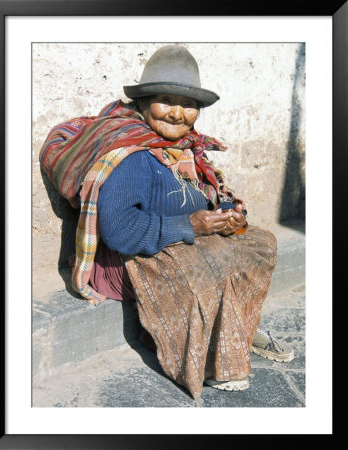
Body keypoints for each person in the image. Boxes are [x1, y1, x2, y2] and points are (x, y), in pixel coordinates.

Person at [40, 45, 293, 400]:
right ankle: (203, 356)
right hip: (126, 262)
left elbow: (199, 194)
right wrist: (194, 226)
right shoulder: (131, 154)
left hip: (174, 244)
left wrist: (226, 209)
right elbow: (122, 232)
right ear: (143, 104)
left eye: (188, 104)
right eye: (164, 100)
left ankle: (236, 328)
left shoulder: (184, 147)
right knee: (210, 258)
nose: (177, 113)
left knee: (260, 242)